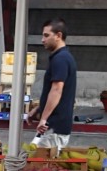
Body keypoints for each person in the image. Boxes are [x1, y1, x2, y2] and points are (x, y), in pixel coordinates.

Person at [30, 18, 76, 150]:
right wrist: (39, 109)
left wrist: (43, 119)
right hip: (52, 127)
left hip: (53, 128)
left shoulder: (61, 59)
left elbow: (57, 90)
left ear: (58, 36)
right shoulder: (62, 57)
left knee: (38, 164)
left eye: (46, 35)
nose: (42, 40)